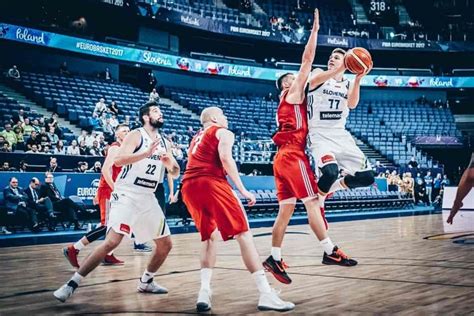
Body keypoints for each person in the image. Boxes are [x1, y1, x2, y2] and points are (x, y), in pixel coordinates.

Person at [264, 10, 356, 288]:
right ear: (286, 85)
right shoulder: (292, 95)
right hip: (293, 155)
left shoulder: (292, 101)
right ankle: (330, 252)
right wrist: (314, 32)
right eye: (292, 78)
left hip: (281, 160)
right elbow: (307, 61)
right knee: (313, 202)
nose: (298, 78)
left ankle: (274, 258)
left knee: (286, 211)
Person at [54, 101, 180, 303]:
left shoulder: (164, 142)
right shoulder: (136, 135)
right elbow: (118, 160)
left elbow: (175, 171)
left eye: (160, 110)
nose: (161, 113)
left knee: (165, 244)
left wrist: (170, 165)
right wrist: (145, 154)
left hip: (148, 197)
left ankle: (146, 281)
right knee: (112, 241)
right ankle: (71, 284)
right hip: (127, 194)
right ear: (146, 117)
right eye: (156, 111)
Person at [181, 106, 294, 312]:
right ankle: (265, 294)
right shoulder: (222, 132)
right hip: (211, 182)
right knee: (243, 234)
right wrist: (243, 189)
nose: (226, 117)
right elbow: (225, 158)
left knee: (209, 238)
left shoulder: (195, 138)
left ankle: (204, 291)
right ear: (214, 118)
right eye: (223, 115)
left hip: (189, 186)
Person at [306, 45, 374, 209]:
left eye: (336, 57)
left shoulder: (348, 83)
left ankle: (331, 189)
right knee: (330, 172)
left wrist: (358, 79)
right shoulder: (318, 73)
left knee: (367, 177)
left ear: (347, 62)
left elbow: (352, 104)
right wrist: (342, 66)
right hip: (319, 135)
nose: (331, 59)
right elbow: (312, 82)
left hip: (340, 135)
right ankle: (318, 204)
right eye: (331, 56)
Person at [63, 124, 130, 268]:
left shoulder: (124, 149)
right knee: (106, 226)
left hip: (112, 190)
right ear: (117, 135)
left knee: (118, 225)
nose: (128, 133)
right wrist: (112, 190)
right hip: (108, 191)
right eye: (124, 131)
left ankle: (108, 254)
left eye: (129, 131)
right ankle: (73, 249)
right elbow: (105, 170)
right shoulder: (115, 148)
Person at [447, 153, 474, 224]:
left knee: (457, 201)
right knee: (457, 201)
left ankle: (452, 214)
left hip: (469, 173)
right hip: (470, 173)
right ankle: (452, 213)